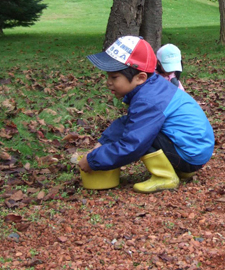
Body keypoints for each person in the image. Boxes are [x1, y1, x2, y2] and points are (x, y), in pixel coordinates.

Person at [78, 36, 215, 193]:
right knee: (135, 125)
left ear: (140, 77)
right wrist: (101, 145)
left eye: (114, 77)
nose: (108, 82)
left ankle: (166, 177)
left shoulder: (149, 99)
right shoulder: (152, 87)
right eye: (108, 76)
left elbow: (133, 145)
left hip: (190, 155)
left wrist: (94, 160)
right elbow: (126, 123)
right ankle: (180, 169)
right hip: (193, 150)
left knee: (142, 134)